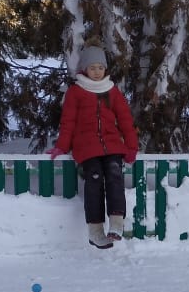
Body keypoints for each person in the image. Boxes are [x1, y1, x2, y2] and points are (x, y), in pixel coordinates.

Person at [49, 45, 139, 249]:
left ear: (105, 69)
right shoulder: (76, 91)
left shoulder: (112, 90)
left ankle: (116, 223)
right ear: (84, 69)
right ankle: (96, 231)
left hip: (112, 145)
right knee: (95, 180)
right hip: (87, 146)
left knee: (115, 174)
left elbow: (125, 120)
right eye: (92, 68)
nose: (97, 72)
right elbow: (68, 121)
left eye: (100, 67)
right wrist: (62, 146)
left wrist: (131, 147)